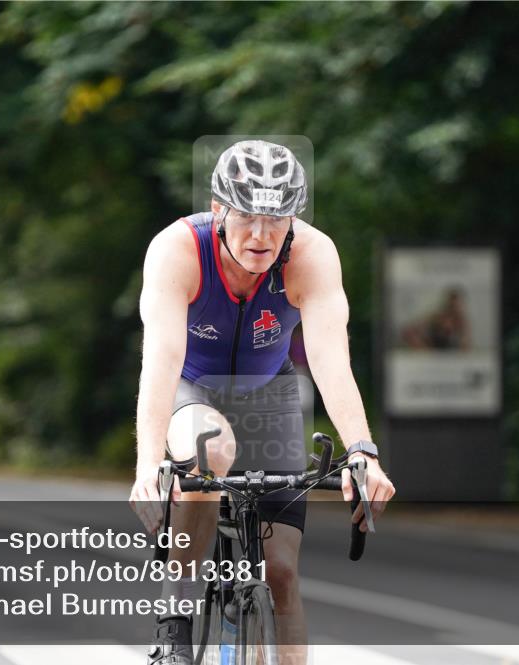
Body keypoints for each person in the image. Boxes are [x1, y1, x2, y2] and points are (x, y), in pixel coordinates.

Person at [130, 140, 395, 665]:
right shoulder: (177, 251)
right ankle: (175, 623)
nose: (261, 235)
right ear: (217, 210)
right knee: (211, 453)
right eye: (247, 215)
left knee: (282, 573)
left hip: (268, 394)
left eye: (276, 219)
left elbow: (329, 358)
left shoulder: (312, 255)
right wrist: (147, 465)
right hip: (192, 388)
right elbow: (159, 360)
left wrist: (362, 451)